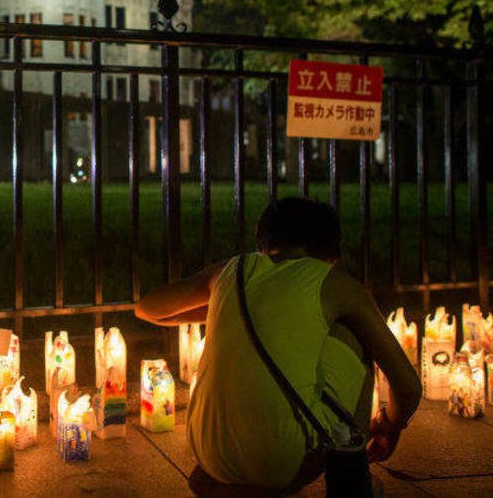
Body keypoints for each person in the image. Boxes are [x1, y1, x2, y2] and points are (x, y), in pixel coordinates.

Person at [135, 198, 420, 496]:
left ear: (263, 237)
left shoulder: (233, 269)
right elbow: (408, 388)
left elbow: (147, 308)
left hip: (206, 453)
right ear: (331, 251)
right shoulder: (334, 283)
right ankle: (351, 482)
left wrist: (220, 303)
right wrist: (389, 425)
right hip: (280, 462)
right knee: (355, 335)